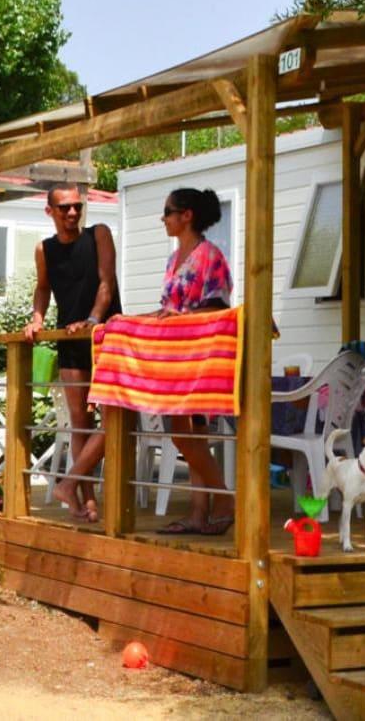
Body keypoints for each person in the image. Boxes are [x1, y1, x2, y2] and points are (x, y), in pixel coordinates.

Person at [22, 182, 117, 523]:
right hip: (68, 339)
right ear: (50, 211)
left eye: (78, 206)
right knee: (81, 422)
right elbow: (43, 288)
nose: (73, 212)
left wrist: (92, 320)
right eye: (65, 207)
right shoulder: (44, 249)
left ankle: (70, 483)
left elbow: (107, 282)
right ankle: (86, 501)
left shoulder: (99, 234)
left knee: (116, 419)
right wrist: (37, 319)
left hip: (106, 337)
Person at [149, 186, 235, 537]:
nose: (163, 219)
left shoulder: (211, 256)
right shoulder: (173, 259)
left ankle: (224, 500)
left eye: (168, 212)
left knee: (186, 436)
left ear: (186, 216)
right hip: (175, 358)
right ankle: (199, 514)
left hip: (200, 358)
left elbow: (219, 307)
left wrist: (182, 317)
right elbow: (169, 308)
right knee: (190, 437)